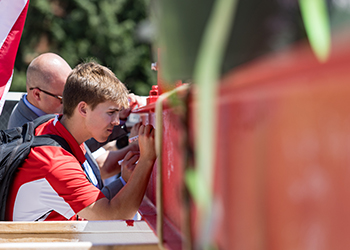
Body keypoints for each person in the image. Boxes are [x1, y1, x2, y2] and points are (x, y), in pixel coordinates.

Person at [6, 61, 156, 221]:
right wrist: (147, 159)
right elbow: (112, 215)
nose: (117, 121)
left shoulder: (57, 128)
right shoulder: (55, 161)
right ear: (83, 109)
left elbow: (97, 202)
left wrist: (124, 181)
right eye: (111, 112)